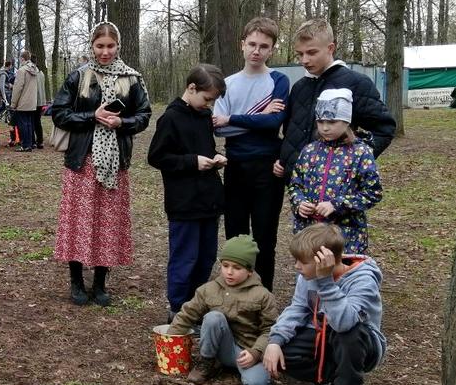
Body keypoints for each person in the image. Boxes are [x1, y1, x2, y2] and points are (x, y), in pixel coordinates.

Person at [51, 22, 152, 306]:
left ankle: (99, 283)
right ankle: (76, 281)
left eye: (110, 46)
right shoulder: (79, 76)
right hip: (82, 160)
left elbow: (144, 115)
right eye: (100, 46)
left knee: (107, 222)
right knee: (78, 222)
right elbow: (58, 112)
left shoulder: (131, 79)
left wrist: (123, 122)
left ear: (118, 46)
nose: (105, 52)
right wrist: (90, 116)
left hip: (114, 162)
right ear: (92, 46)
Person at [262, 223, 385, 385]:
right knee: (280, 353)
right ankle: (327, 379)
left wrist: (325, 282)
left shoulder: (363, 280)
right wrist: (275, 340)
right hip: (322, 335)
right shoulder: (306, 275)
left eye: (302, 262)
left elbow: (344, 323)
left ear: (324, 261)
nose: (297, 266)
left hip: (360, 344)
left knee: (350, 331)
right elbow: (298, 308)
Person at [213, 17, 291, 290]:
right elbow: (218, 130)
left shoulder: (278, 80)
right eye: (252, 44)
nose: (257, 51)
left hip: (268, 170)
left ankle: (263, 297)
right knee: (235, 236)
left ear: (272, 49)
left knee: (265, 238)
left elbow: (273, 124)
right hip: (236, 167)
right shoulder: (227, 84)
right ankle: (235, 296)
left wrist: (233, 119)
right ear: (242, 45)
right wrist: (257, 117)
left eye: (264, 46)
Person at [147, 64, 227, 318]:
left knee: (206, 257)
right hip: (184, 203)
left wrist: (215, 156)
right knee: (185, 258)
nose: (208, 105)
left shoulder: (203, 116)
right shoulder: (170, 118)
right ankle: (178, 309)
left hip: (209, 201)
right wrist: (192, 161)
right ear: (191, 88)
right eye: (206, 99)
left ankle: (197, 304)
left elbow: (205, 146)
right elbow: (157, 157)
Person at [274, 18, 395, 181]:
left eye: (311, 52)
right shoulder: (299, 88)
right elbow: (291, 130)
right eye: (300, 54)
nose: (304, 60)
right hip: (301, 187)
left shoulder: (356, 83)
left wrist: (355, 160)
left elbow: (384, 129)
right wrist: (285, 159)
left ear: (330, 48)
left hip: (338, 186)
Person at [172, 235, 276, 385]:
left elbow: (271, 329)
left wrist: (256, 353)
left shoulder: (263, 295)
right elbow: (187, 314)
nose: (229, 272)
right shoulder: (210, 288)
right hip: (221, 347)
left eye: (237, 267)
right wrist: (169, 339)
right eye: (225, 265)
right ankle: (208, 362)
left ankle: (236, 367)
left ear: (249, 271)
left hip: (247, 352)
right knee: (213, 318)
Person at [289, 88, 383, 254]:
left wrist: (336, 204)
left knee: (340, 278)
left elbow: (373, 193)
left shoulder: (361, 153)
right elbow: (295, 185)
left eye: (332, 122)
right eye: (320, 121)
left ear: (346, 122)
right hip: (309, 235)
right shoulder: (309, 151)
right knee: (310, 277)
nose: (325, 128)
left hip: (346, 237)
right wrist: (299, 203)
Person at [10, 51, 40, 152]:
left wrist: (13, 103)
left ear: (22, 59)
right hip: (32, 102)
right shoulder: (35, 69)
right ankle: (30, 143)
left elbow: (18, 88)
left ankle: (25, 145)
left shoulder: (22, 71)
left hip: (23, 102)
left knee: (22, 124)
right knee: (29, 123)